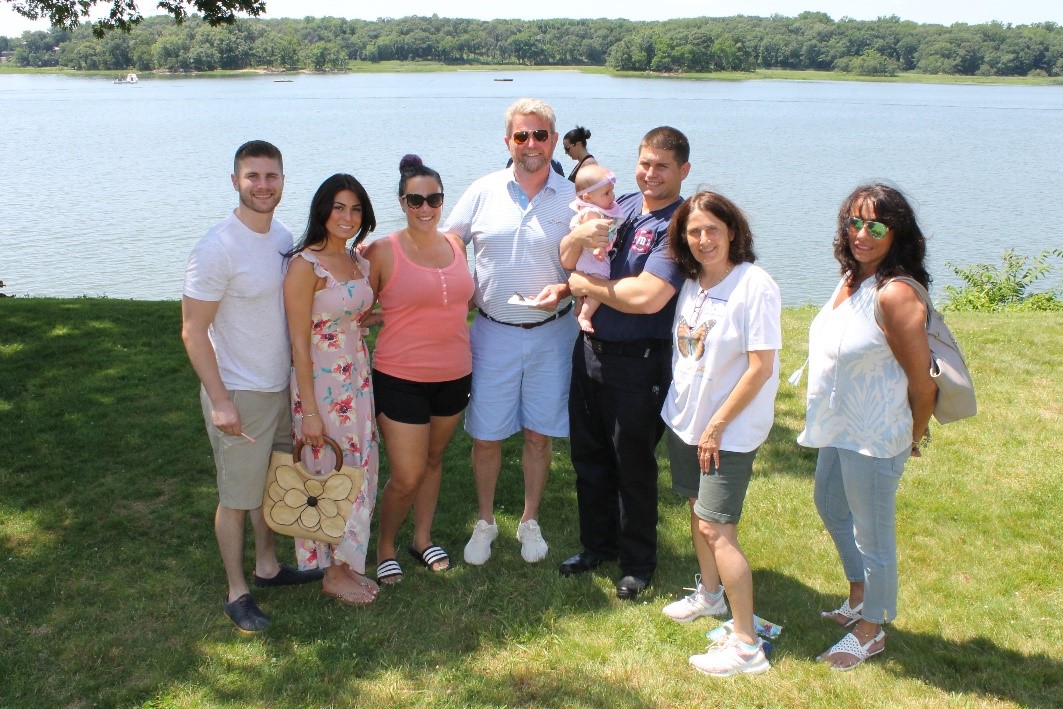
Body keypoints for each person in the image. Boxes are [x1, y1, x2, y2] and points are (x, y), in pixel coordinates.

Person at [182, 140, 323, 634]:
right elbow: (193, 330)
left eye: (271, 176)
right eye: (253, 176)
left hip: (281, 386)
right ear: (235, 181)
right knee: (237, 496)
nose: (263, 185)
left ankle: (268, 566)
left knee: (271, 484)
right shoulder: (217, 246)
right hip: (240, 391)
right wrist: (220, 400)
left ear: (283, 181)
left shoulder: (282, 235)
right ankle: (237, 591)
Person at [798, 183, 937, 670]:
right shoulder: (851, 278)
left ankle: (872, 628)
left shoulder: (895, 294)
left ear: (896, 233)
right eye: (854, 222)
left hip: (876, 436)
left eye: (875, 226)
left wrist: (913, 436)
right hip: (840, 425)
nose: (862, 233)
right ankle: (859, 595)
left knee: (873, 536)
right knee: (830, 504)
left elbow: (923, 385)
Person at [443, 98, 579, 566]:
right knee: (486, 434)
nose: (531, 144)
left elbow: (590, 264)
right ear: (508, 142)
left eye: (540, 135)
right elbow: (447, 240)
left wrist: (563, 288)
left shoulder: (572, 199)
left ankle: (529, 519)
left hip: (552, 333)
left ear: (554, 140)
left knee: (540, 434)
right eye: (521, 136)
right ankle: (485, 522)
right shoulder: (482, 190)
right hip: (492, 331)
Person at [559, 126, 691, 599]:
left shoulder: (682, 225)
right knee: (589, 456)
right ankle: (597, 546)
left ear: (683, 171)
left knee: (631, 463)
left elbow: (649, 297)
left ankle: (637, 562)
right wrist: (575, 241)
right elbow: (569, 257)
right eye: (644, 163)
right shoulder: (622, 205)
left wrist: (584, 288)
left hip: (640, 362)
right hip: (591, 352)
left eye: (662, 166)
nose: (650, 174)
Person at [659, 192, 781, 676]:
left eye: (713, 229)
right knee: (695, 507)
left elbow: (759, 368)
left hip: (726, 431)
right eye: (694, 231)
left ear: (732, 230)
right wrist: (694, 421)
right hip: (686, 420)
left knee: (716, 528)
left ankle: (747, 646)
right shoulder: (693, 282)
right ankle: (710, 596)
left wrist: (717, 425)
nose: (704, 239)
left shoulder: (756, 286)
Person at [365, 155, 475, 584]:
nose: (425, 208)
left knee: (433, 460)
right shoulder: (381, 251)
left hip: (454, 374)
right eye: (416, 200)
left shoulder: (456, 244)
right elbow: (353, 301)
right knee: (407, 473)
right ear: (402, 202)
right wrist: (370, 317)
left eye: (433, 198)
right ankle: (385, 546)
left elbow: (462, 301)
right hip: (400, 377)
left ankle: (422, 538)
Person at [283, 173, 380, 606]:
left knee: (359, 467)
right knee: (327, 471)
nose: (347, 216)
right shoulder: (306, 266)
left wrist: (375, 319)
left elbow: (349, 314)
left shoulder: (358, 261)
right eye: (339, 207)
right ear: (322, 210)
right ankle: (328, 571)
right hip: (320, 385)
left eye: (355, 208)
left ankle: (347, 562)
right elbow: (299, 342)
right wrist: (308, 412)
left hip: (357, 380)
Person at [568, 163, 624, 333]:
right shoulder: (593, 213)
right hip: (594, 259)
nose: (613, 196)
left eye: (612, 191)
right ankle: (585, 315)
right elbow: (594, 234)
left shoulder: (587, 209)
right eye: (606, 193)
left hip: (583, 260)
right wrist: (599, 249)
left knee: (584, 286)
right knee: (599, 285)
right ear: (587, 197)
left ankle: (579, 306)